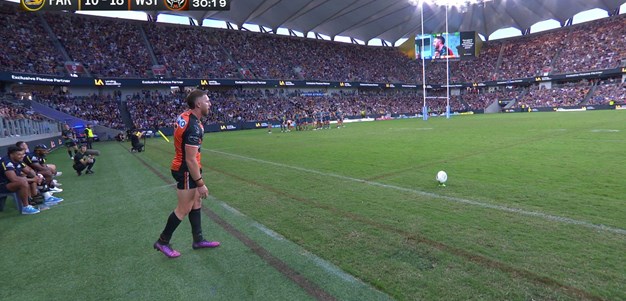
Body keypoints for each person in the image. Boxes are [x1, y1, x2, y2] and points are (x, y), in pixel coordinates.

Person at [154, 90, 220, 258]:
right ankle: (162, 241)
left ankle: (198, 240)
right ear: (198, 104)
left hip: (188, 167)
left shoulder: (187, 117)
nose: (210, 103)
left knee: (196, 201)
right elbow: (190, 160)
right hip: (186, 170)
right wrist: (200, 183)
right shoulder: (193, 126)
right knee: (183, 208)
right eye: (207, 101)